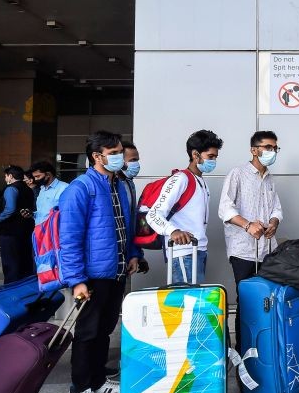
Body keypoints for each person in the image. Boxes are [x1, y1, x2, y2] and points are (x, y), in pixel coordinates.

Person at [59, 131, 141, 393]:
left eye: (120, 151)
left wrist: (134, 255)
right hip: (92, 276)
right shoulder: (80, 188)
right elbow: (68, 238)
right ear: (97, 156)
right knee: (87, 332)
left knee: (105, 329)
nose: (119, 156)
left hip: (116, 271)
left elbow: (128, 228)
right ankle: (80, 389)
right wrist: (77, 280)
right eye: (114, 152)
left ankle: (97, 380)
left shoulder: (121, 186)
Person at [218, 131, 283, 349]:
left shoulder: (270, 178)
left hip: (267, 250)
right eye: (267, 147)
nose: (272, 152)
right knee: (246, 300)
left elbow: (276, 208)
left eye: (275, 148)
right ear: (254, 150)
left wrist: (273, 223)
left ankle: (263, 346)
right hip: (243, 251)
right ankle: (244, 348)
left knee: (266, 298)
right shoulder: (237, 174)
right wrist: (248, 225)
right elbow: (225, 208)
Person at [147, 130, 223, 283]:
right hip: (183, 252)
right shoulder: (181, 179)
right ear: (196, 155)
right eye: (210, 157)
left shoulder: (201, 182)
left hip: (198, 250)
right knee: (186, 303)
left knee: (193, 303)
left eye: (215, 157)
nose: (214, 161)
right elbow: (153, 214)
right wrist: (173, 231)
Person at [0, 165, 36, 284]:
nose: (5, 179)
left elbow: (10, 209)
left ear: (10, 176)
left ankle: (11, 287)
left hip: (10, 231)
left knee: (10, 262)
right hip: (26, 229)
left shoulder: (11, 189)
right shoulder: (28, 189)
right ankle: (25, 285)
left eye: (6, 176)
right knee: (25, 260)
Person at [118, 141, 149, 275]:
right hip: (112, 255)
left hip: (127, 255)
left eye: (137, 160)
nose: (136, 164)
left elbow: (132, 224)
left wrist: (136, 254)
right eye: (132, 160)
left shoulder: (129, 184)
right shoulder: (109, 186)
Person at [31, 160, 69, 225]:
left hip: (54, 232)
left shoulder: (65, 188)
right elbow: (43, 213)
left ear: (48, 174)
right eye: (34, 177)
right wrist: (32, 214)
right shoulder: (42, 189)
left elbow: (68, 213)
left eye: (38, 176)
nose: (35, 179)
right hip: (39, 231)